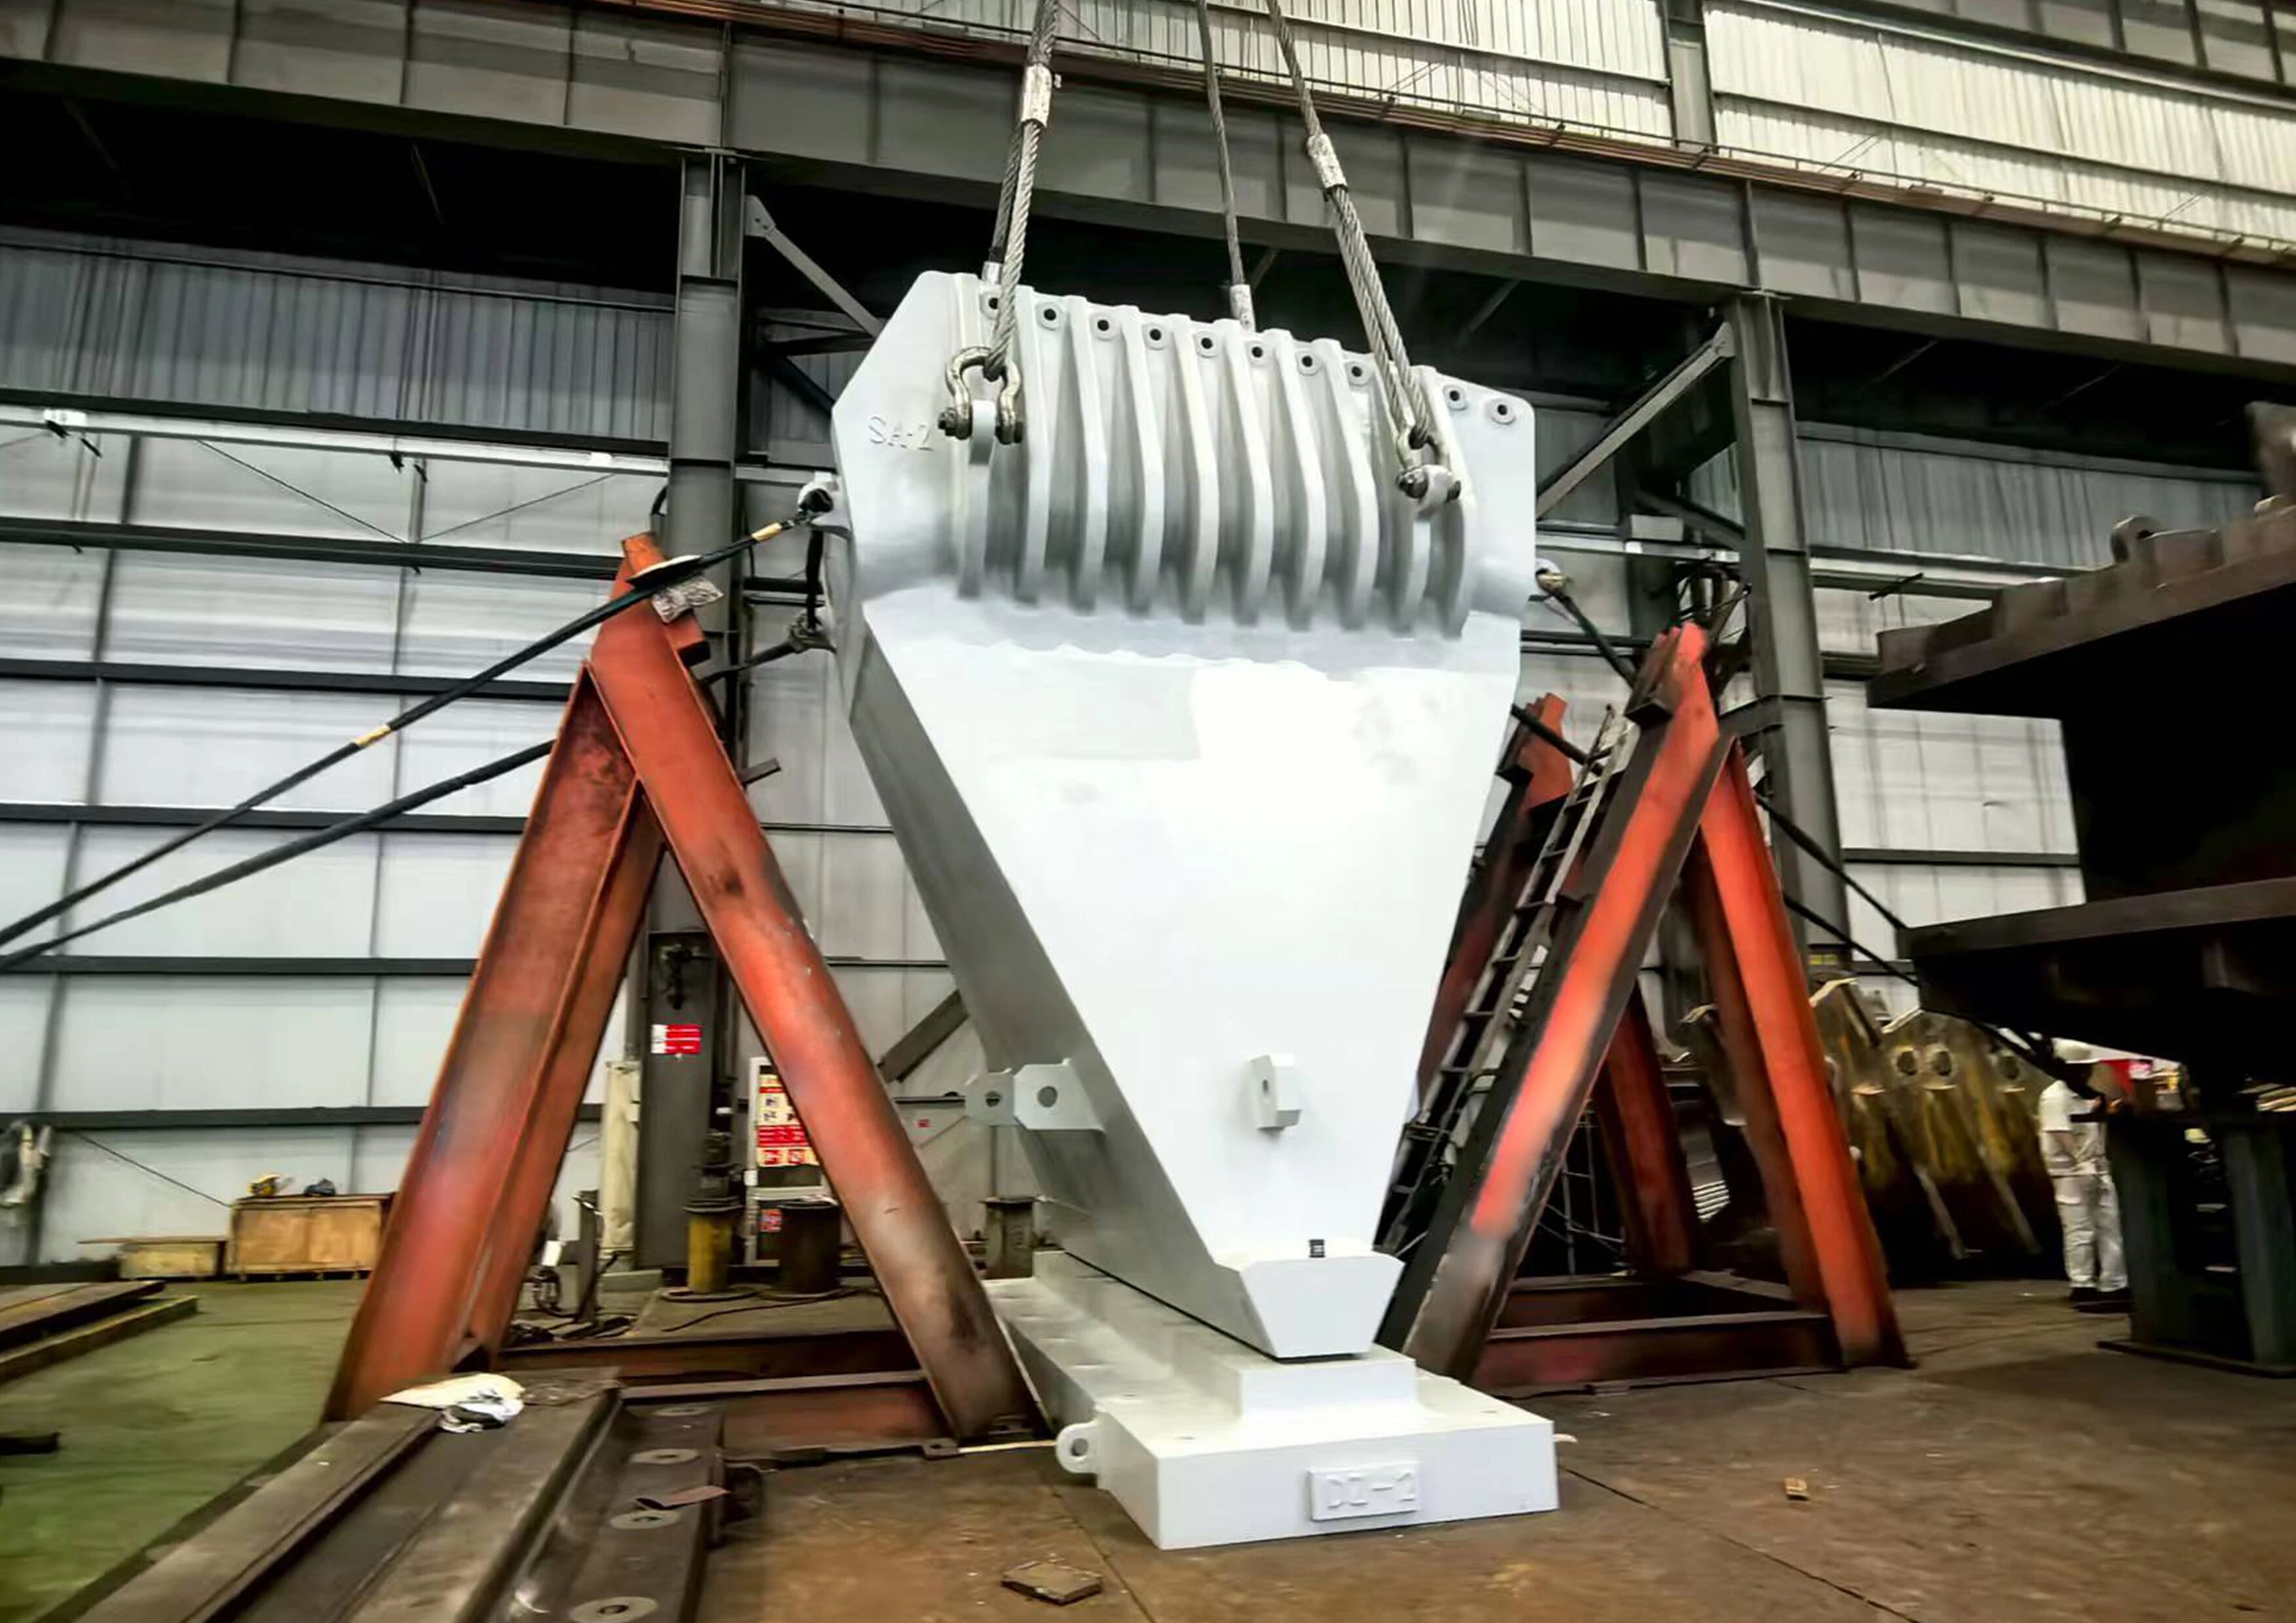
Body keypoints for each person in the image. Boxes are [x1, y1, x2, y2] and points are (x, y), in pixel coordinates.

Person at [2041, 1043, 2128, 1312]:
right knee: (2080, 1229)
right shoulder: (2054, 1098)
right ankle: (2082, 1284)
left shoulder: (2087, 1095)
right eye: (2078, 1070)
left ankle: (2114, 1283)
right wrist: (2081, 1163)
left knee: (2110, 1227)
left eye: (2086, 1070)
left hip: (2097, 1168)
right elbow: (2061, 1135)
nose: (2084, 1075)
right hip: (2070, 1172)